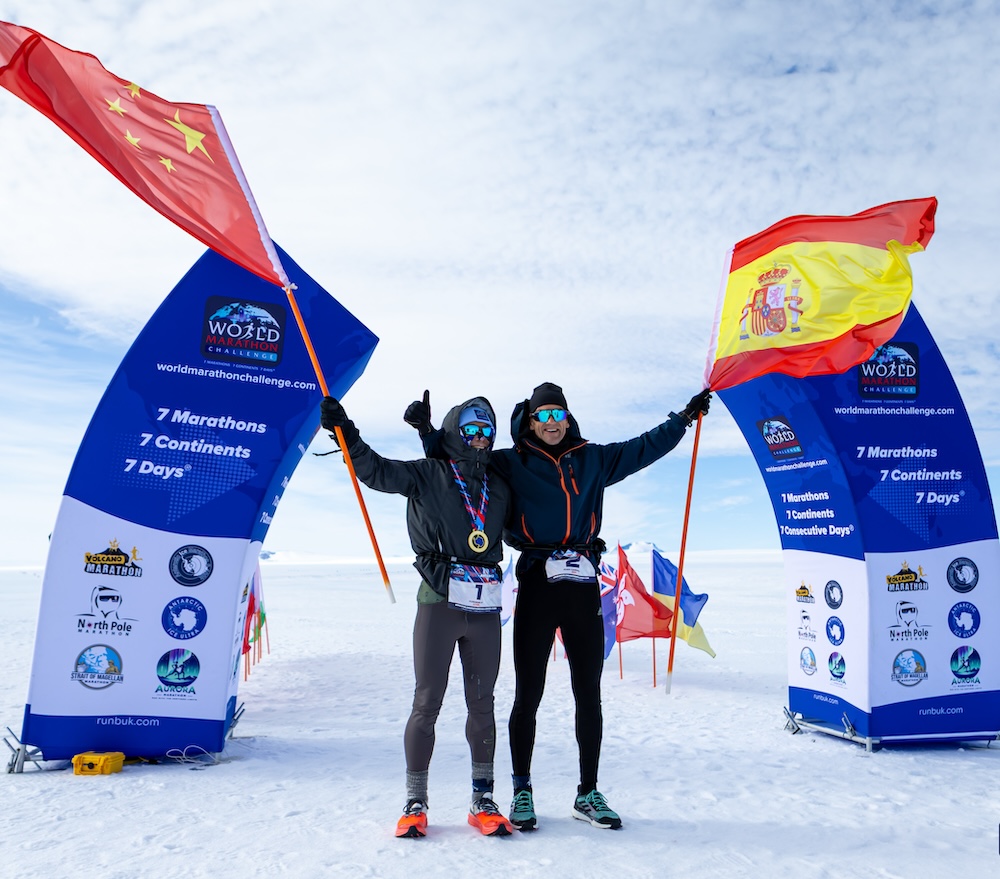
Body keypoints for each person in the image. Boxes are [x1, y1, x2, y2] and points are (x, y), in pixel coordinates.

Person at [405, 382, 710, 831]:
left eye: (558, 414)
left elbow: (644, 448)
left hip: (582, 586)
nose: (551, 423)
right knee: (528, 693)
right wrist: (429, 434)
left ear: (568, 419)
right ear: (530, 422)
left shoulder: (594, 459)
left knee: (589, 692)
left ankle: (588, 792)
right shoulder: (511, 461)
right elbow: (461, 461)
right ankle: (522, 790)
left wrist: (682, 420)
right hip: (536, 581)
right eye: (543, 415)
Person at [320, 394, 514, 839]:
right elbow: (376, 470)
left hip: (484, 609)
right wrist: (345, 431)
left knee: (482, 705)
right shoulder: (427, 474)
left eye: (487, 428)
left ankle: (483, 799)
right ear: (456, 431)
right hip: (438, 602)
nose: (480, 436)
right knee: (427, 703)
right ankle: (415, 801)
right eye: (471, 428)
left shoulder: (499, 485)